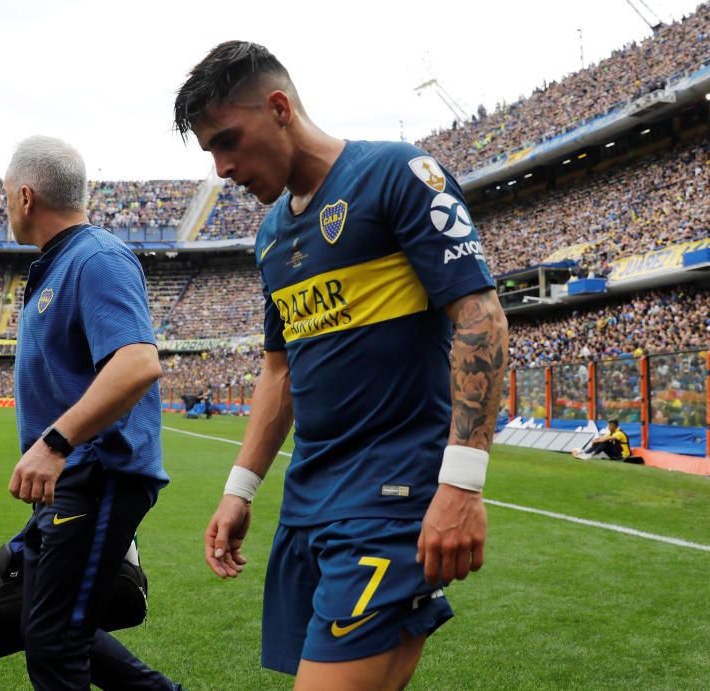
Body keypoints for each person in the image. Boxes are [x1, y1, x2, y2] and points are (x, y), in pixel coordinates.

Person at [174, 42, 509, 689]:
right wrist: (240, 489)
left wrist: (462, 483)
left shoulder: (397, 176)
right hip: (309, 501)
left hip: (388, 498)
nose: (222, 168)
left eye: (228, 141)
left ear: (279, 107)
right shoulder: (271, 236)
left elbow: (480, 315)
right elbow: (280, 372)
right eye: (210, 151)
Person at [3, 135, 183, 691]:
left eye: (6, 195)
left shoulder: (97, 258)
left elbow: (136, 365)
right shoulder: (57, 265)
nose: (5, 205)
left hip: (97, 474)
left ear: (26, 197)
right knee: (46, 626)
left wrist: (54, 444)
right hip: (71, 483)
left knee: (55, 644)